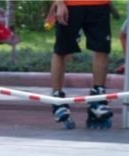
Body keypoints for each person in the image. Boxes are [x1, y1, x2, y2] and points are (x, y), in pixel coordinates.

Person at [48, 0, 114, 129]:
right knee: (61, 50)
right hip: (70, 5)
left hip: (100, 4)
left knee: (102, 48)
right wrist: (59, 2)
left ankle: (98, 98)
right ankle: (57, 98)